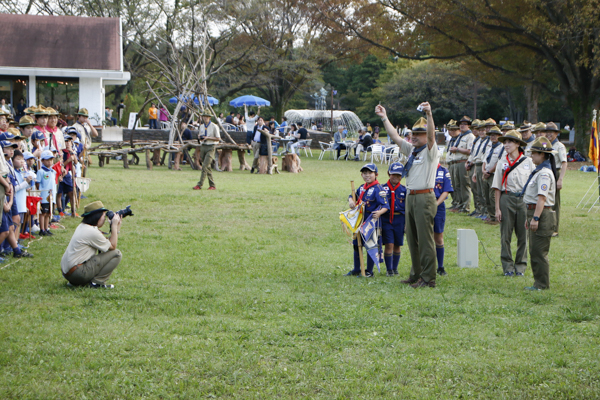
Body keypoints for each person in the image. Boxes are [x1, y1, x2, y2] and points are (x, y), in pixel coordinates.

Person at [376, 102, 440, 288]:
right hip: (410, 196)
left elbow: (431, 135)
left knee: (425, 239)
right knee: (412, 239)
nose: (413, 137)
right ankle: (416, 273)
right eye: (413, 133)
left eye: (418, 134)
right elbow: (395, 136)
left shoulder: (430, 151)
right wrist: (384, 117)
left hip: (424, 197)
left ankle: (428, 277)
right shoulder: (412, 150)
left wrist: (429, 114)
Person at [492, 130, 533, 277]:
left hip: (523, 200)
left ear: (517, 144)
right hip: (506, 198)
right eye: (505, 142)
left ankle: (520, 266)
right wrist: (497, 208)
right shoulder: (502, 162)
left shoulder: (528, 162)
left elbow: (533, 185)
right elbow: (497, 186)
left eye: (509, 142)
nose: (506, 144)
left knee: (523, 234)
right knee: (506, 235)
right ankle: (507, 266)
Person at [61, 201, 122, 288]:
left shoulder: (83, 226)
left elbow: (107, 243)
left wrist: (116, 228)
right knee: (117, 254)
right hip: (77, 273)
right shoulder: (92, 232)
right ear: (96, 217)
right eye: (103, 216)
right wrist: (114, 226)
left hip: (68, 273)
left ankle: (76, 282)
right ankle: (97, 282)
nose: (104, 219)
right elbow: (112, 247)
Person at [522, 137, 557, 290]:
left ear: (542, 155)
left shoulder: (544, 174)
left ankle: (542, 285)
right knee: (534, 250)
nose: (531, 156)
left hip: (541, 214)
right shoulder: (539, 171)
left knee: (539, 252)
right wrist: (529, 217)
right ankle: (539, 283)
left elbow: (541, 198)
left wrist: (535, 218)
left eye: (534, 154)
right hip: (534, 212)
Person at [345, 163, 389, 277]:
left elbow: (385, 206)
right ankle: (356, 269)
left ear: (376, 174)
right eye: (365, 173)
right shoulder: (361, 187)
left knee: (370, 245)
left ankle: (369, 271)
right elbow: (352, 195)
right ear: (361, 175)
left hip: (370, 221)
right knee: (357, 244)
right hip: (359, 220)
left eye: (370, 173)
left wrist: (379, 213)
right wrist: (350, 200)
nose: (367, 175)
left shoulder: (379, 189)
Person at [540, 122, 566, 237]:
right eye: (547, 132)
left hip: (555, 172)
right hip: (546, 172)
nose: (549, 134)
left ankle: (554, 228)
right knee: (544, 200)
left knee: (554, 202)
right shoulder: (545, 144)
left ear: (556, 133)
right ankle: (546, 225)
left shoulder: (559, 146)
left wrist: (560, 179)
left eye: (551, 132)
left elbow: (564, 163)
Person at [381, 162, 407, 276]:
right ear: (388, 173)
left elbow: (407, 208)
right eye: (393, 174)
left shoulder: (404, 190)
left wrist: (406, 224)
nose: (395, 177)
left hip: (399, 219)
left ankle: (395, 268)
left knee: (397, 245)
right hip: (386, 219)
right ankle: (389, 269)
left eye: (398, 175)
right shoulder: (381, 188)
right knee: (389, 244)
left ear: (402, 176)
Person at [448, 116, 474, 213]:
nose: (462, 126)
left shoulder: (470, 136)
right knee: (457, 184)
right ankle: (459, 204)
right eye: (461, 124)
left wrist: (457, 149)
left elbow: (470, 151)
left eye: (464, 124)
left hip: (463, 162)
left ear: (469, 126)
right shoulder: (460, 136)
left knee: (464, 185)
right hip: (456, 162)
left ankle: (466, 206)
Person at [481, 125, 504, 225]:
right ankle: (490, 216)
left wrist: (489, 171)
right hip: (486, 173)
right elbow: (485, 159)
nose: (493, 137)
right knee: (485, 195)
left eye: (495, 135)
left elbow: (498, 162)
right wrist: (483, 170)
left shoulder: (502, 147)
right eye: (491, 135)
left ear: (499, 136)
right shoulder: (489, 146)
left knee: (492, 197)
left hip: (493, 174)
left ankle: (496, 217)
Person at [434, 162, 454, 276]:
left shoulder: (443, 171)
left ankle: (440, 266)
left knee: (438, 236)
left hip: (438, 205)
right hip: (424, 205)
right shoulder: (423, 168)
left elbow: (446, 190)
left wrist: (436, 204)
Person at [192, 113, 221, 190]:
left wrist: (208, 138)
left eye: (207, 117)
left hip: (211, 146)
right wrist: (200, 137)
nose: (205, 118)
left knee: (204, 166)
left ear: (210, 117)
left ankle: (199, 184)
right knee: (207, 167)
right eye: (204, 116)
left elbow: (218, 138)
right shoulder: (201, 126)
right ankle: (212, 185)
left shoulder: (214, 126)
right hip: (203, 146)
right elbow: (201, 135)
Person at [468, 120, 488, 217]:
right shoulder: (478, 141)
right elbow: (475, 155)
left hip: (483, 166)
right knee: (478, 191)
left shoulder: (488, 141)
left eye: (483, 130)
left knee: (484, 191)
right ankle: (480, 210)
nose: (481, 132)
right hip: (477, 165)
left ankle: (486, 212)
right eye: (479, 130)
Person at [35, 150, 56, 236]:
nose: (49, 162)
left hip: (51, 196)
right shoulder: (41, 171)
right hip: (44, 196)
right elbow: (37, 183)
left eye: (51, 160)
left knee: (48, 213)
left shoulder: (52, 171)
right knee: (43, 213)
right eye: (47, 160)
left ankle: (47, 228)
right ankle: (42, 229)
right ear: (42, 161)